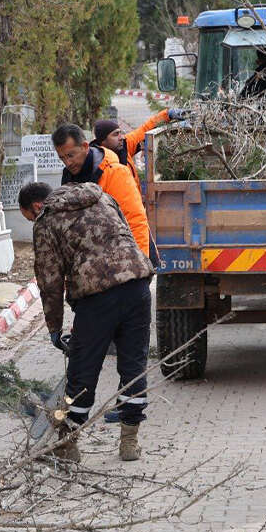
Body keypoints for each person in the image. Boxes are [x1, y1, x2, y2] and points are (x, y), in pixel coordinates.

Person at [18, 181, 155, 462]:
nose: (33, 222)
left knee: (82, 372)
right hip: (137, 286)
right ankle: (129, 443)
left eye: (29, 218)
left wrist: (55, 329)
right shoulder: (102, 195)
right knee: (134, 365)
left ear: (35, 206)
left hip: (97, 298)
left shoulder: (46, 220)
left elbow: (49, 281)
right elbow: (126, 235)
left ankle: (68, 445)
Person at [53, 123, 150, 257]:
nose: (67, 163)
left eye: (70, 155)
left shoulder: (113, 172)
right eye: (62, 158)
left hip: (122, 258)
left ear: (85, 147)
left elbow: (135, 221)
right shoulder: (68, 176)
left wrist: (141, 266)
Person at [92, 108, 189, 183]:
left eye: (120, 133)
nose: (121, 137)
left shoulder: (125, 145)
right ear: (102, 140)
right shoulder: (97, 166)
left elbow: (145, 129)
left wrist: (167, 114)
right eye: (115, 134)